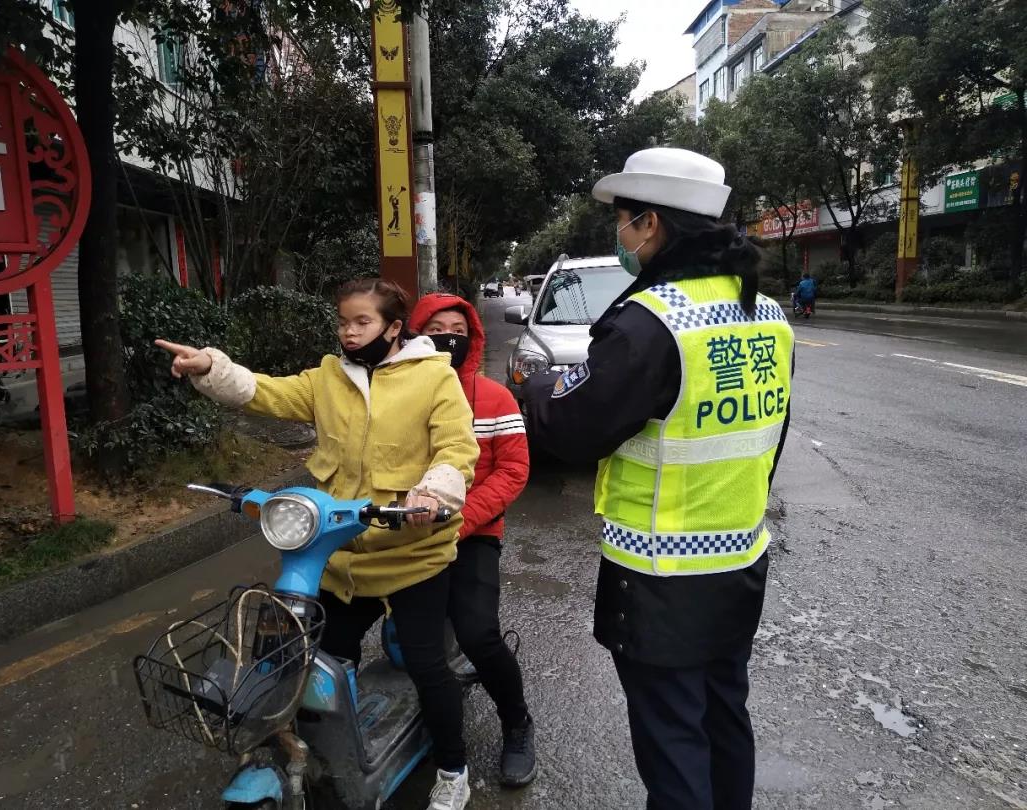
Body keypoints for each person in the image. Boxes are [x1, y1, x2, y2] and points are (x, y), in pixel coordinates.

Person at [521, 148, 794, 810]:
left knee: (672, 743)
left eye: (622, 220)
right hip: (739, 561)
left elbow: (575, 427)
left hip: (659, 573)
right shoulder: (767, 314)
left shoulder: (653, 320)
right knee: (723, 719)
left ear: (650, 225)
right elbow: (770, 437)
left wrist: (533, 391)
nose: (619, 234)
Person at [156, 278, 481, 810]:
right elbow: (267, 392)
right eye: (343, 322)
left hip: (412, 553)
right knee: (310, 661)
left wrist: (434, 491)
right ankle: (318, 754)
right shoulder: (329, 377)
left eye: (362, 322)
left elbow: (455, 446)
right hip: (338, 553)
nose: (349, 333)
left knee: (427, 666)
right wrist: (210, 367)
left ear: (394, 327)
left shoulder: (435, 379)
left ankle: (452, 768)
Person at [409, 293, 537, 788]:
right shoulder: (394, 396)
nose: (447, 337)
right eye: (435, 327)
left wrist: (460, 521)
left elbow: (513, 469)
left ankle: (518, 722)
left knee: (478, 633)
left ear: (473, 338)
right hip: (408, 535)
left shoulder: (493, 398)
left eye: (458, 330)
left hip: (472, 532)